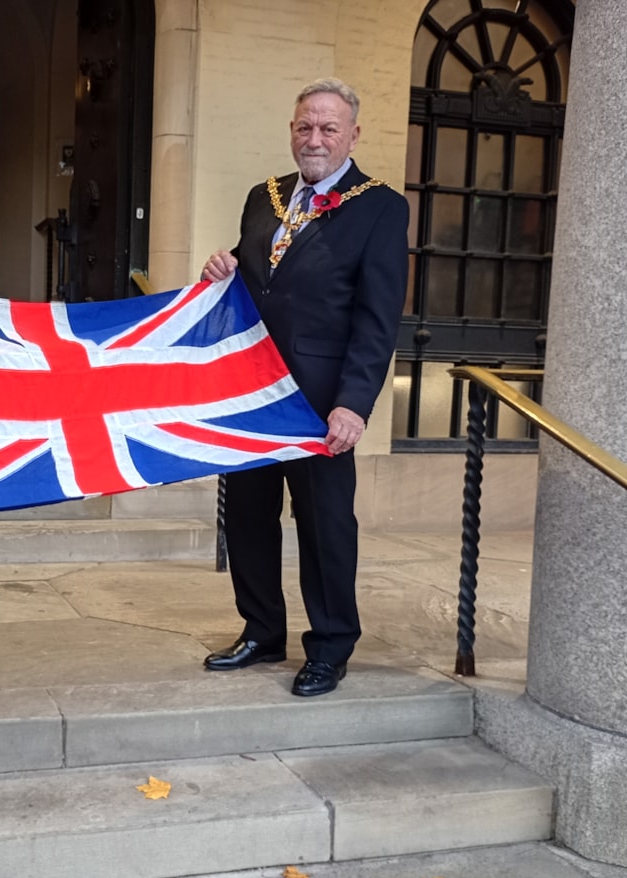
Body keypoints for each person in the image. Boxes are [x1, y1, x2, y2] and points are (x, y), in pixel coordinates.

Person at [200, 78, 408, 697]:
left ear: (352, 136)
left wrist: (354, 404)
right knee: (248, 517)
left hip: (321, 402)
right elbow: (256, 275)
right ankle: (262, 631)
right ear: (292, 130)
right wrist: (221, 268)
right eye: (304, 127)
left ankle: (331, 646)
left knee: (324, 525)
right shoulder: (262, 198)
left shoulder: (380, 207)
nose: (314, 139)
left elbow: (378, 317)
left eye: (328, 128)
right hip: (252, 394)